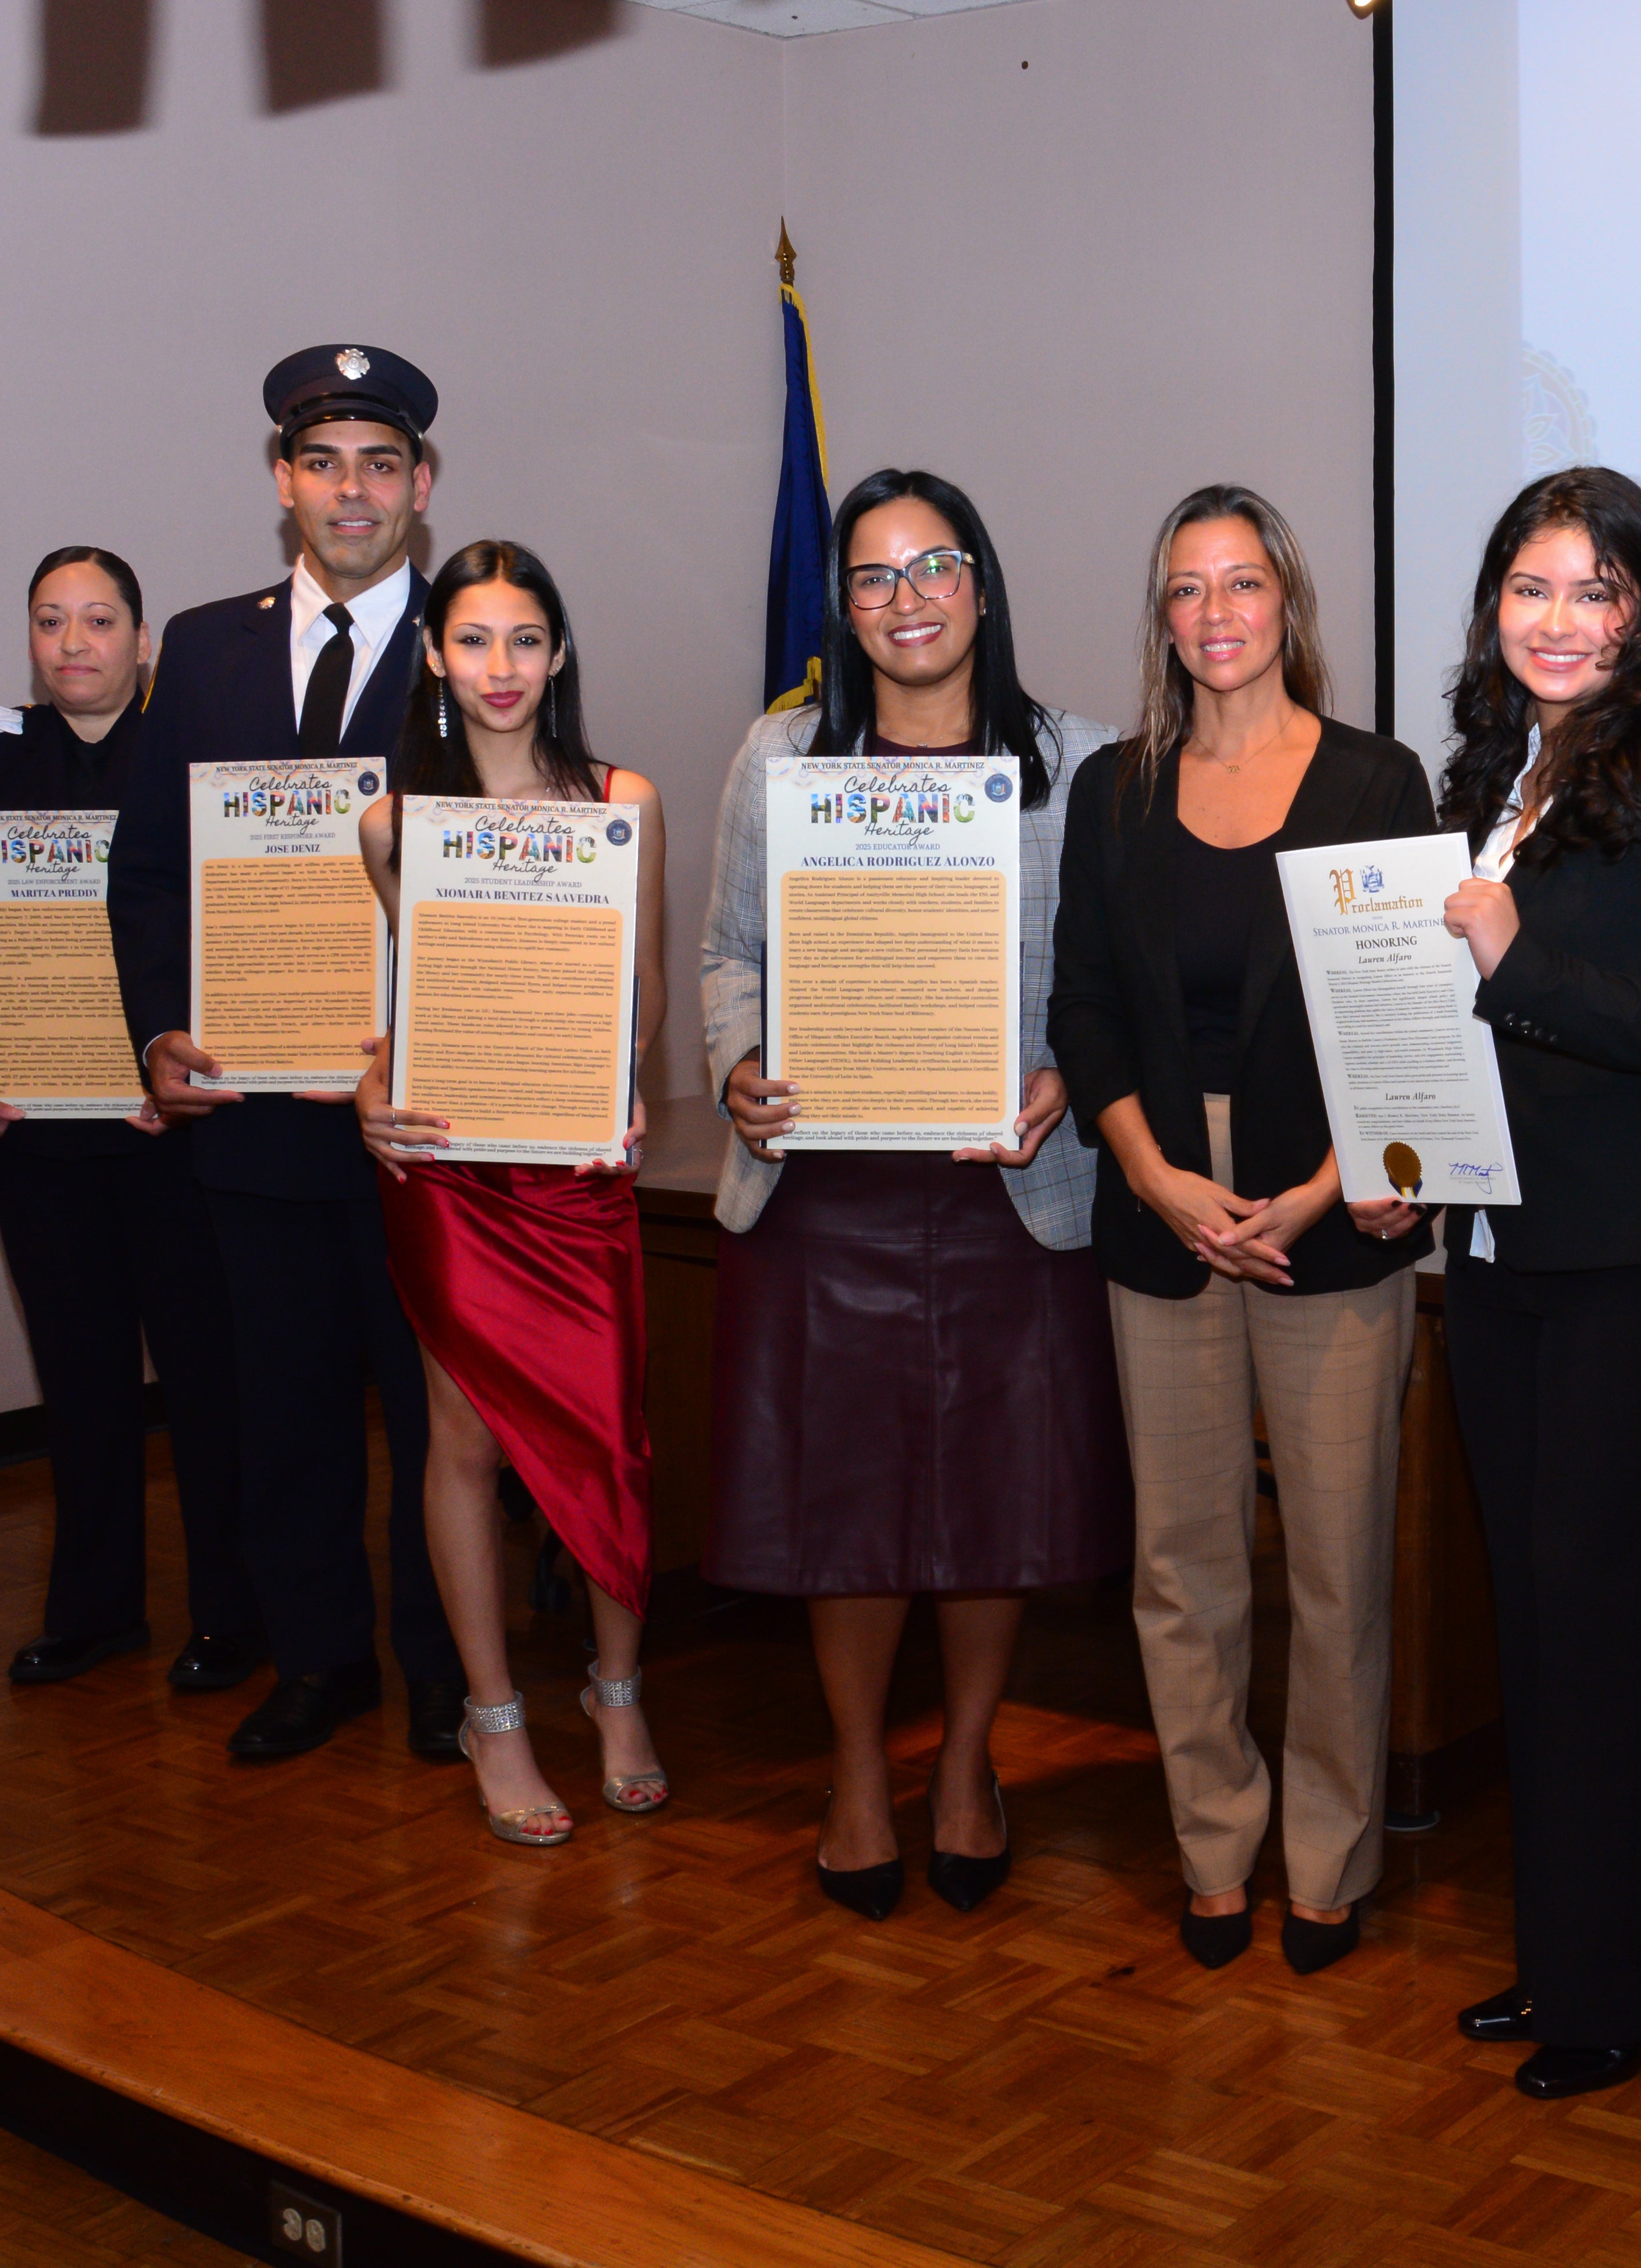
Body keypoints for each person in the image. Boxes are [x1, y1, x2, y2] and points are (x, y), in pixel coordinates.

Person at [701, 468, 1130, 1920]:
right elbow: (724, 953)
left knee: (993, 1500)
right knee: (850, 1502)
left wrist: (1066, 1072)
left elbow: (1112, 976)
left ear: (983, 584)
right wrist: (740, 1062)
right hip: (827, 1187)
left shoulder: (1081, 760)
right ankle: (855, 1773)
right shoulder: (784, 753)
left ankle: (964, 1765)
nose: (907, 598)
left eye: (934, 565)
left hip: (1009, 1189)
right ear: (848, 607)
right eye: (875, 577)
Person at [1050, 486, 1435, 1976]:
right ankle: (1215, 1845)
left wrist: (1330, 1184)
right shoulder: (1115, 791)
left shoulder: (1373, 780)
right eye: (1185, 590)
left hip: (1325, 1201)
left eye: (1242, 584)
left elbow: (1410, 1004)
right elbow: (1082, 1001)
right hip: (1163, 1194)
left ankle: (1326, 1859)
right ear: (1163, 618)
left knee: (1337, 1562)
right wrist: (1150, 1174)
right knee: (1182, 1561)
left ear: (1289, 603)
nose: (1216, 614)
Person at [1430, 466, 1641, 2099]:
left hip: (1638, 1267)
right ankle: (1565, 1956)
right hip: (1497, 1254)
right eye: (1529, 587)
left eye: (1593, 592)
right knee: (1536, 1628)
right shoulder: (1498, 774)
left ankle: (1623, 1991)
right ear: (1494, 606)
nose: (1556, 621)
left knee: (1603, 1629)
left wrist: (1514, 958)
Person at [106, 345, 465, 1763]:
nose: (352, 491)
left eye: (381, 464)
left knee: (439, 1422)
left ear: (422, 485)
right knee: (288, 1407)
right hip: (254, 1114)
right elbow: (146, 874)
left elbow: (528, 874)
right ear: (282, 481)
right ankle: (321, 1658)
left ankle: (448, 1667)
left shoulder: (483, 635)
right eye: (323, 463)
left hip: (415, 1112)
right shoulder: (202, 646)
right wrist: (157, 1028)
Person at [0, 548, 256, 1691]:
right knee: (83, 1377)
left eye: (100, 620)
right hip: (33, 1137)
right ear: (32, 643)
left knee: (206, 1381)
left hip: (170, 1134)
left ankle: (231, 1617)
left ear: (143, 644)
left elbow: (248, 936)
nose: (75, 642)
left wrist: (191, 1069)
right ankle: (94, 1609)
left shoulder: (195, 769)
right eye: (52, 621)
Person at [352, 541, 667, 1846]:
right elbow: (394, 1005)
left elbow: (637, 1000)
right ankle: (494, 1714)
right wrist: (372, 1090)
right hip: (451, 1167)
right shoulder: (389, 822)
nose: (500, 669)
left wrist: (629, 1086)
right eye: (474, 641)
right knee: (463, 1443)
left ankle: (617, 1691)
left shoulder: (620, 798)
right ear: (434, 653)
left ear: (559, 654)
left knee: (604, 1429)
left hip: (575, 1163)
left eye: (525, 640)